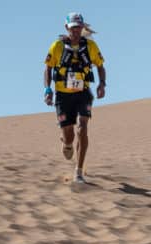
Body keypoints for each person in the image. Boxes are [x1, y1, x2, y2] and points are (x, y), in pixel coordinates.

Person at [43, 13, 107, 184]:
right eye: (73, 28)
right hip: (63, 95)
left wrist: (102, 84)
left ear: (82, 28)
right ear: (67, 28)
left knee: (83, 127)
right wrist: (47, 89)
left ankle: (78, 172)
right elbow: (48, 68)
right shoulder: (57, 46)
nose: (76, 31)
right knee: (69, 135)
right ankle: (66, 143)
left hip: (83, 93)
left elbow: (100, 66)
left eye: (78, 27)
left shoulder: (91, 46)